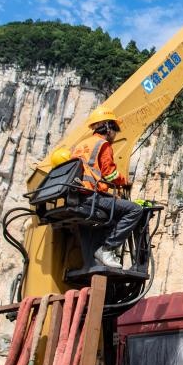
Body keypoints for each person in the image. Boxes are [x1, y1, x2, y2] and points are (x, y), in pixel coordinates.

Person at [68, 106, 143, 269]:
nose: (115, 134)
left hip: (77, 195)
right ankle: (107, 248)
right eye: (115, 129)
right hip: (91, 196)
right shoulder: (103, 145)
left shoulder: (81, 145)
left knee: (112, 212)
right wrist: (124, 182)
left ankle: (91, 262)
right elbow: (109, 175)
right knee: (134, 210)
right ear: (108, 127)